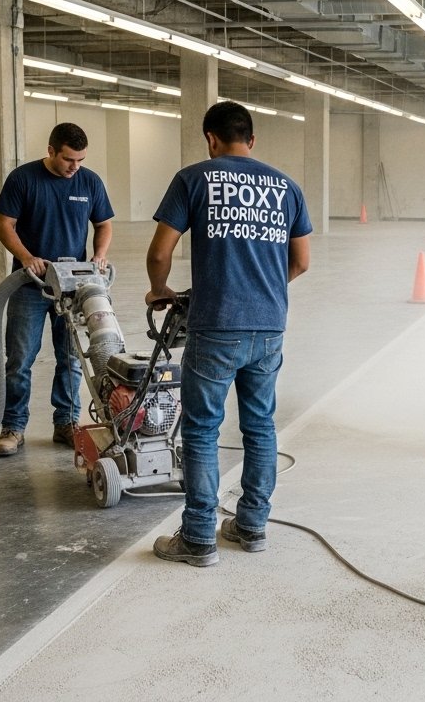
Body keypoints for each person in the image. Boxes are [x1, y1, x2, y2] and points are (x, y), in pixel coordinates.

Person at [146, 101, 312, 567]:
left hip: (216, 324)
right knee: (260, 427)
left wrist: (159, 291)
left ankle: (199, 538)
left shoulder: (194, 178)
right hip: (269, 326)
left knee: (201, 430)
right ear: (252, 141)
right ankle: (252, 526)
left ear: (211, 140)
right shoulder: (286, 187)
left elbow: (161, 252)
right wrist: (262, 291)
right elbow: (300, 262)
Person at [0, 122, 114, 457]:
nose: (75, 166)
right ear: (51, 151)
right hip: (30, 286)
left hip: (73, 288)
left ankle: (66, 423)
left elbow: (103, 223)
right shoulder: (24, 178)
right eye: (68, 159)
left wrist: (99, 255)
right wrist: (27, 257)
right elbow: (4, 224)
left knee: (72, 358)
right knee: (19, 359)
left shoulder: (89, 181)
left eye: (81, 160)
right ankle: (13, 427)